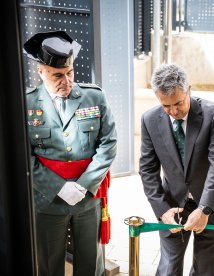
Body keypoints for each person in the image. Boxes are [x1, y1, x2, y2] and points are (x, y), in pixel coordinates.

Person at [23, 31, 117, 275]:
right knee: (48, 263)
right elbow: (23, 154)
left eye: (70, 73)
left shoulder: (94, 97)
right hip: (47, 199)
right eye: (57, 75)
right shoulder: (27, 104)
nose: (66, 81)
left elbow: (109, 143)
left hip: (87, 198)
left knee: (90, 262)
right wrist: (57, 187)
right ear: (41, 72)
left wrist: (84, 184)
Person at [139, 63, 214, 276]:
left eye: (178, 103)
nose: (174, 111)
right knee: (168, 269)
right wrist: (162, 210)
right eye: (166, 106)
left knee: (204, 271)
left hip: (213, 204)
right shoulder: (149, 119)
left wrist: (205, 209)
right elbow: (147, 169)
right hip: (173, 205)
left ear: (189, 90)